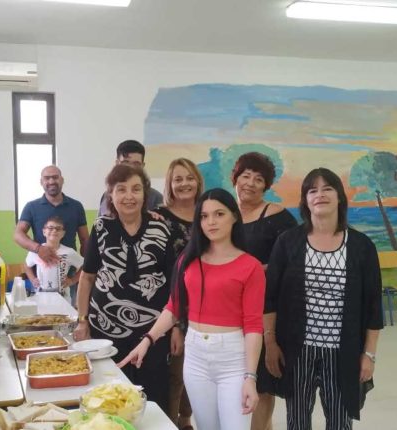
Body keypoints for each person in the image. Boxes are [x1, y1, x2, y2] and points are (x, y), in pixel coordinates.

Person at [119, 188, 266, 430]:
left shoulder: (250, 266)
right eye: (204, 216)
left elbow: (253, 326)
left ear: (234, 216)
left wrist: (250, 377)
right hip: (196, 356)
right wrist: (147, 339)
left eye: (219, 214)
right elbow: (174, 307)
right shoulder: (187, 260)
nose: (211, 222)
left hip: (233, 358)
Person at [264, 168, 383, 430]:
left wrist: (369, 354)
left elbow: (374, 306)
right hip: (297, 350)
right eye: (312, 190)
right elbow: (270, 298)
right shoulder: (288, 242)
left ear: (339, 197)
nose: (320, 195)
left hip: (343, 350)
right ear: (305, 201)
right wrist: (270, 343)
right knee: (297, 421)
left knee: (340, 422)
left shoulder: (362, 246)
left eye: (327, 188)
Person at [75, 164, 175, 411]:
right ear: (111, 194)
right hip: (105, 331)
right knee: (109, 399)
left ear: (145, 194)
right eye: (121, 189)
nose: (129, 196)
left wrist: (176, 328)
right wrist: (82, 320)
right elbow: (87, 278)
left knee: (153, 401)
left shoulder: (161, 228)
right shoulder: (101, 228)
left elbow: (174, 284)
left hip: (153, 333)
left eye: (136, 189)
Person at [231, 152, 297, 430]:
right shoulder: (226, 214)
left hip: (264, 311)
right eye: (246, 176)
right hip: (230, 312)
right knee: (237, 376)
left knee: (262, 380)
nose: (250, 183)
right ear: (235, 178)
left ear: (266, 186)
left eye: (258, 179)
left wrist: (257, 270)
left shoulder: (277, 216)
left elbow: (294, 260)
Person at [153, 158, 204, 430]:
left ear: (198, 181)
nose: (184, 184)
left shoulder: (207, 214)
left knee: (195, 373)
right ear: (169, 184)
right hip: (170, 302)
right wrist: (175, 323)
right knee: (175, 373)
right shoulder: (158, 217)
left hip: (205, 305)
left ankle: (186, 419)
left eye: (189, 178)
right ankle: (171, 423)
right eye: (178, 179)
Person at [14, 165, 89, 306]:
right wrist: (38, 249)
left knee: (68, 312)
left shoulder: (76, 206)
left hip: (69, 276)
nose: (51, 181)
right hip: (41, 277)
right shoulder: (31, 207)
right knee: (42, 313)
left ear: (62, 180)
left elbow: (85, 239)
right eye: (47, 178)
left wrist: (85, 271)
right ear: (41, 182)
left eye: (55, 177)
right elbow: (18, 234)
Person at [98, 140, 163, 217]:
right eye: (125, 163)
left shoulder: (156, 198)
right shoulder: (106, 196)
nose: (131, 168)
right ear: (117, 164)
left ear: (142, 166)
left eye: (136, 164)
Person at [25, 216, 84, 297]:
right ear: (44, 232)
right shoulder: (37, 251)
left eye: (58, 228)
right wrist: (32, 279)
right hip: (41, 296)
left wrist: (72, 281)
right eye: (50, 228)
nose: (54, 230)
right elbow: (26, 265)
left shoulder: (69, 252)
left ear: (63, 234)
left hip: (63, 298)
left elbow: (85, 266)